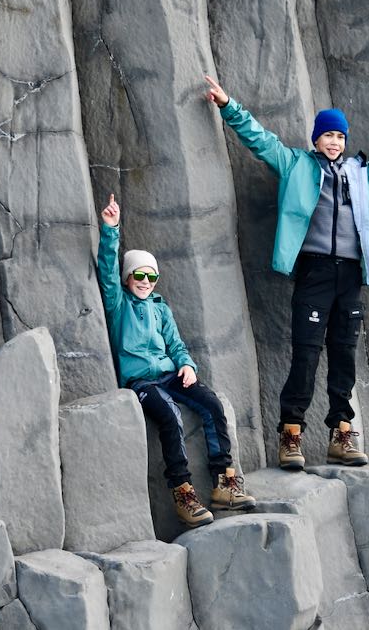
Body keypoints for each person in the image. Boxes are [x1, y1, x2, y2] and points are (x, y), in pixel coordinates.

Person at [204, 74, 369, 470]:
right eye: (327, 135)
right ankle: (291, 433)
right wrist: (228, 105)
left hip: (350, 277)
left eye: (339, 137)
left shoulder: (363, 173)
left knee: (344, 355)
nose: (334, 142)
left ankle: (341, 432)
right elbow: (258, 138)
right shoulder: (295, 165)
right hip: (314, 273)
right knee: (306, 355)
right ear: (316, 139)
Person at [96, 193, 256, 528]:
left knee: (211, 404)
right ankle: (184, 493)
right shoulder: (118, 304)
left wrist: (186, 366)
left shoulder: (160, 307)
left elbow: (176, 344)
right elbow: (107, 272)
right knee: (169, 415)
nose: (144, 282)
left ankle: (224, 484)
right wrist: (111, 229)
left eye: (151, 277)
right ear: (128, 278)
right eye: (138, 276)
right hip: (140, 381)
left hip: (169, 375)